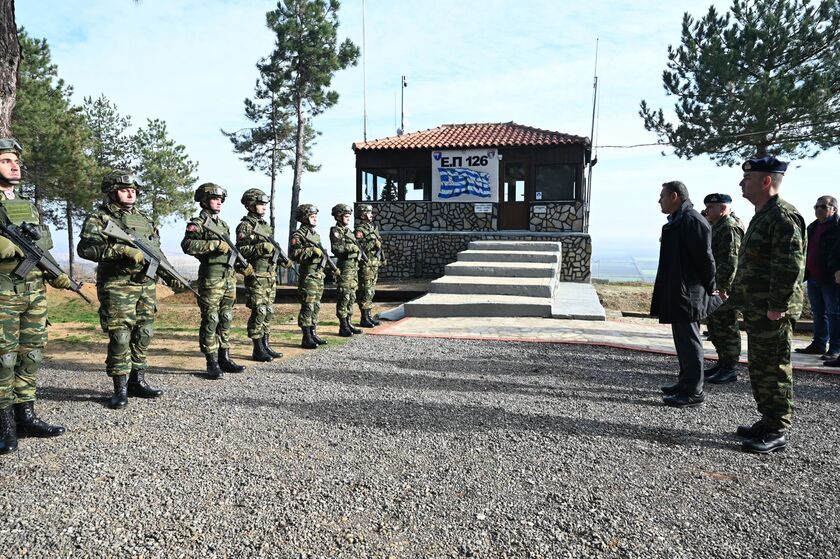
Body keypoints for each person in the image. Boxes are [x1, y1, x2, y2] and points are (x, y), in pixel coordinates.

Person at [78, 171, 185, 409]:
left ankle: (138, 381)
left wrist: (171, 275)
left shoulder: (144, 219)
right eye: (125, 190)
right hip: (117, 285)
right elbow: (85, 249)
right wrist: (122, 251)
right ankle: (120, 388)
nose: (130, 193)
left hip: (145, 285)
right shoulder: (100, 218)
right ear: (111, 192)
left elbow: (156, 252)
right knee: (120, 336)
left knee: (144, 333)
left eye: (133, 190)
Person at [726, 156, 805, 454]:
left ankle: (777, 429)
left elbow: (790, 266)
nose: (741, 183)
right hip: (758, 307)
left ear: (766, 181)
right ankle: (767, 419)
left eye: (747, 179)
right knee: (760, 366)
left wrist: (777, 305)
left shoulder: (783, 216)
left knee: (774, 367)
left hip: (773, 310)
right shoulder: (763, 214)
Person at [0, 138, 67, 454]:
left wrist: (56, 273)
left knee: (31, 355)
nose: (15, 166)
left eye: (16, 161)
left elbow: (40, 247)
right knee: (4, 359)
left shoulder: (27, 204)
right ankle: (4, 425)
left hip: (34, 293)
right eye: (6, 161)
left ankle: (25, 416)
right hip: (3, 293)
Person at [651, 181, 716, 408]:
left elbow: (705, 259)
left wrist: (711, 287)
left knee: (690, 341)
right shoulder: (678, 220)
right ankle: (685, 382)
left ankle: (694, 392)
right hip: (679, 291)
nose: (659, 201)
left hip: (689, 293)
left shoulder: (691, 220)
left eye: (662, 196)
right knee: (682, 341)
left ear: (675, 197)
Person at [181, 183, 250, 379]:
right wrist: (215, 244)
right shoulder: (197, 223)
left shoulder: (223, 225)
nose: (219, 202)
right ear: (204, 201)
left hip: (228, 278)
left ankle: (224, 357)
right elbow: (187, 245)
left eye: (221, 199)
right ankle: (211, 362)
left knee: (226, 318)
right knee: (211, 319)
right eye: (214, 199)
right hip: (211, 278)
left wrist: (241, 266)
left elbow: (229, 252)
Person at [235, 188, 288, 362]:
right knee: (259, 311)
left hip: (269, 275)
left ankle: (266, 345)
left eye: (265, 204)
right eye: (260, 203)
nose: (264, 206)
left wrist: (281, 258)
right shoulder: (245, 226)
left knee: (268, 311)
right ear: (250, 205)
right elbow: (240, 250)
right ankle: (257, 348)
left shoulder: (264, 225)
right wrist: (260, 248)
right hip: (256, 275)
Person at [702, 193, 745, 385]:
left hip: (725, 288)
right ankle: (722, 362)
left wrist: (722, 288)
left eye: (711, 207)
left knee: (726, 327)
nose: (707, 211)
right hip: (715, 285)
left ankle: (729, 368)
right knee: (716, 326)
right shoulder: (717, 225)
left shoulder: (729, 227)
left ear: (723, 208)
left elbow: (730, 261)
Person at [794, 196, 840, 360]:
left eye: (823, 206)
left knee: (834, 313)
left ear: (833, 209)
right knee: (819, 312)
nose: (818, 209)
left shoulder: (837, 227)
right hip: (813, 276)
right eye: (816, 207)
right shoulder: (813, 226)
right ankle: (819, 344)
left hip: (831, 278)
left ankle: (835, 348)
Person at [289, 204, 328, 349]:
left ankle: (313, 333)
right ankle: (306, 337)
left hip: (318, 274)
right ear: (304, 218)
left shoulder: (315, 234)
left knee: (316, 305)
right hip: (308, 275)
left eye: (315, 216)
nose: (315, 219)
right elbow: (294, 254)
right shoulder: (298, 235)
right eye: (312, 216)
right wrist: (311, 250)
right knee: (308, 306)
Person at [330, 204, 363, 337]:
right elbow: (336, 248)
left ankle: (349, 323)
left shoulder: (348, 231)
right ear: (339, 216)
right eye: (346, 216)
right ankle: (343, 326)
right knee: (344, 295)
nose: (348, 218)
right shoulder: (336, 230)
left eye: (349, 216)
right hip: (345, 267)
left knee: (352, 295)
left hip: (353, 267)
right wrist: (351, 248)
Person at [355, 203, 385, 327]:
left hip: (373, 264)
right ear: (362, 215)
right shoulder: (360, 230)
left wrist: (381, 256)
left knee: (371, 291)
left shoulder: (372, 228)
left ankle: (369, 316)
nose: (371, 215)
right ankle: (364, 318)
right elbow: (360, 248)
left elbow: (379, 245)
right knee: (365, 290)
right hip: (366, 265)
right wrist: (373, 243)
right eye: (368, 212)